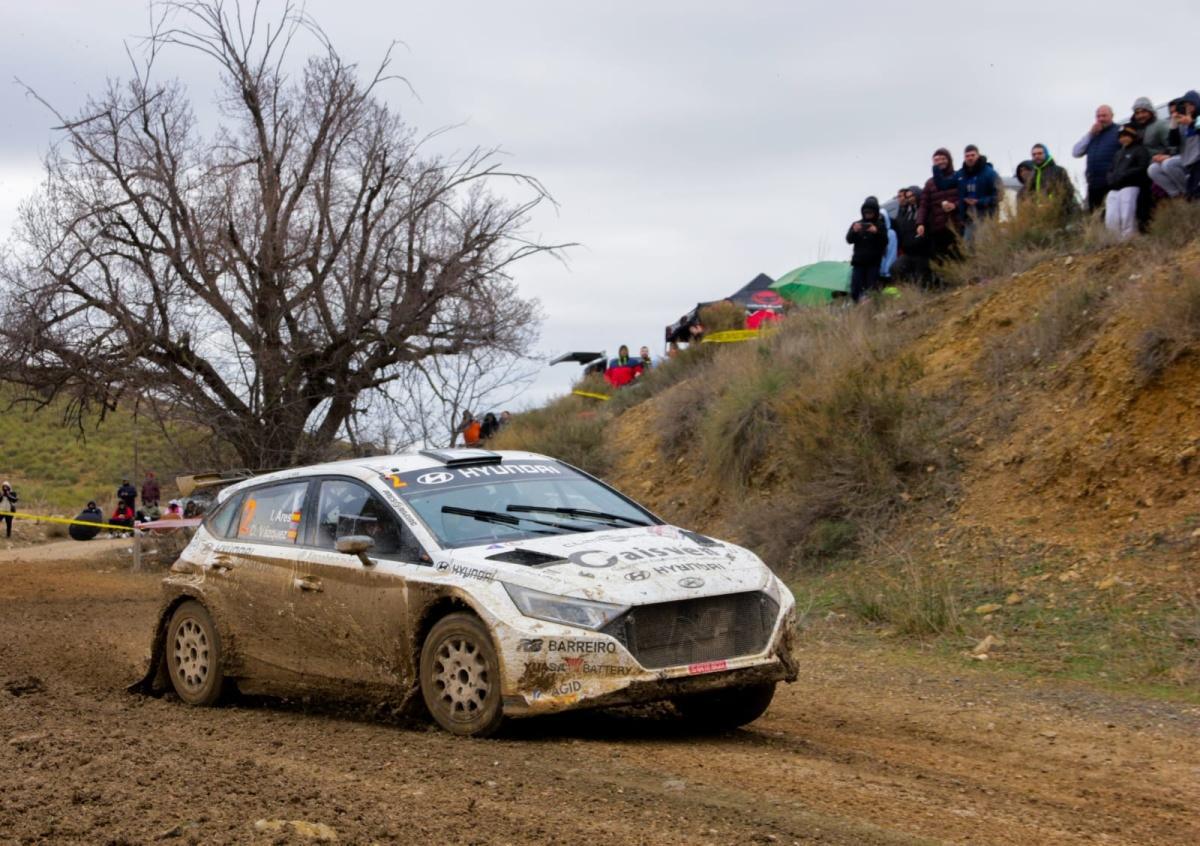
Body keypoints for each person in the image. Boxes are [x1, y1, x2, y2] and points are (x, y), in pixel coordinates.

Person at [1149, 91, 1200, 199]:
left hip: (1197, 161)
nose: (1188, 108)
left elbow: (1197, 127)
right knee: (1154, 168)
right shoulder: (1182, 123)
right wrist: (1174, 125)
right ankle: (1180, 196)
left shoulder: (1197, 119)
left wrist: (1191, 123)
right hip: (1189, 162)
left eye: (1191, 104)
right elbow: (1173, 143)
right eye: (1186, 106)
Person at [917, 148, 961, 271]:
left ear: (949, 160)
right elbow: (924, 205)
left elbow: (965, 198)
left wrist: (955, 205)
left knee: (959, 255)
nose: (940, 162)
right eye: (936, 160)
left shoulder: (958, 177)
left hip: (956, 224)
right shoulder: (930, 183)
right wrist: (920, 223)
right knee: (940, 259)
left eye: (943, 158)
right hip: (937, 228)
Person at [1072, 104, 1120, 211]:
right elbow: (1076, 152)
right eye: (1098, 116)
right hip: (1093, 182)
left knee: (1110, 214)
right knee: (1095, 215)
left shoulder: (1119, 131)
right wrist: (1090, 134)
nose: (1101, 119)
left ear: (1112, 116)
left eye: (1104, 116)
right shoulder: (1092, 135)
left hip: (1111, 182)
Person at [1105, 124, 1149, 240]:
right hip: (1115, 188)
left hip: (1130, 186)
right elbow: (1111, 169)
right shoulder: (1118, 153)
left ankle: (1129, 239)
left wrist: (1124, 175)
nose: (1123, 138)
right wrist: (1111, 178)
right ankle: (1114, 240)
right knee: (1111, 217)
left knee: (1127, 214)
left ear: (1133, 136)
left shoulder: (1140, 150)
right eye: (1121, 136)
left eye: (1126, 136)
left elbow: (1142, 167)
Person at [845, 196, 889, 302]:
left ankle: (872, 308)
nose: (868, 215)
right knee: (855, 289)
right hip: (858, 263)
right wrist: (854, 231)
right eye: (866, 212)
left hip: (873, 264)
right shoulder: (857, 224)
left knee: (872, 289)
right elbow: (849, 240)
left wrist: (876, 232)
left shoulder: (880, 225)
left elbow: (885, 242)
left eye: (870, 213)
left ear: (875, 212)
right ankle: (858, 306)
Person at [956, 144, 1000, 240]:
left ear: (978, 156)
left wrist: (979, 201)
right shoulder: (961, 174)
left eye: (973, 155)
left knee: (984, 248)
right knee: (968, 249)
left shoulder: (990, 173)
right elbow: (947, 185)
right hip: (969, 219)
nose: (970, 158)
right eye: (967, 156)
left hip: (986, 218)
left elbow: (999, 195)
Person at [891, 186, 928, 284]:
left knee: (920, 278)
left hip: (922, 251)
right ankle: (908, 290)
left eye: (912, 196)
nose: (910, 198)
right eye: (908, 197)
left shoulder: (924, 211)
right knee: (895, 268)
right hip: (908, 251)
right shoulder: (906, 213)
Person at [1027, 144, 1077, 212]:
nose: (1036, 156)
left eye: (1040, 153)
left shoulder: (1058, 171)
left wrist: (1052, 203)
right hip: (1038, 214)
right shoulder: (1032, 174)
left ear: (1046, 154)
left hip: (1058, 212)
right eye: (1034, 154)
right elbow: (1029, 193)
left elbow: (1068, 191)